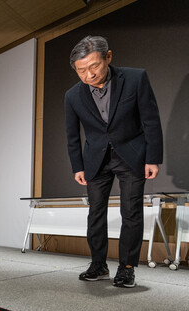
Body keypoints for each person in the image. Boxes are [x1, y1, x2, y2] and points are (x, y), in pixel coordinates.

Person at [64, 36, 163, 288]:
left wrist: (152, 158)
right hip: (95, 160)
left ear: (108, 57)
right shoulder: (72, 96)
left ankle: (127, 268)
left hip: (131, 155)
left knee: (131, 212)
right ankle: (98, 264)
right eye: (81, 70)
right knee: (95, 214)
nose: (89, 74)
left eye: (94, 66)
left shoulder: (135, 78)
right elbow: (72, 135)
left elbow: (150, 120)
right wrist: (78, 166)